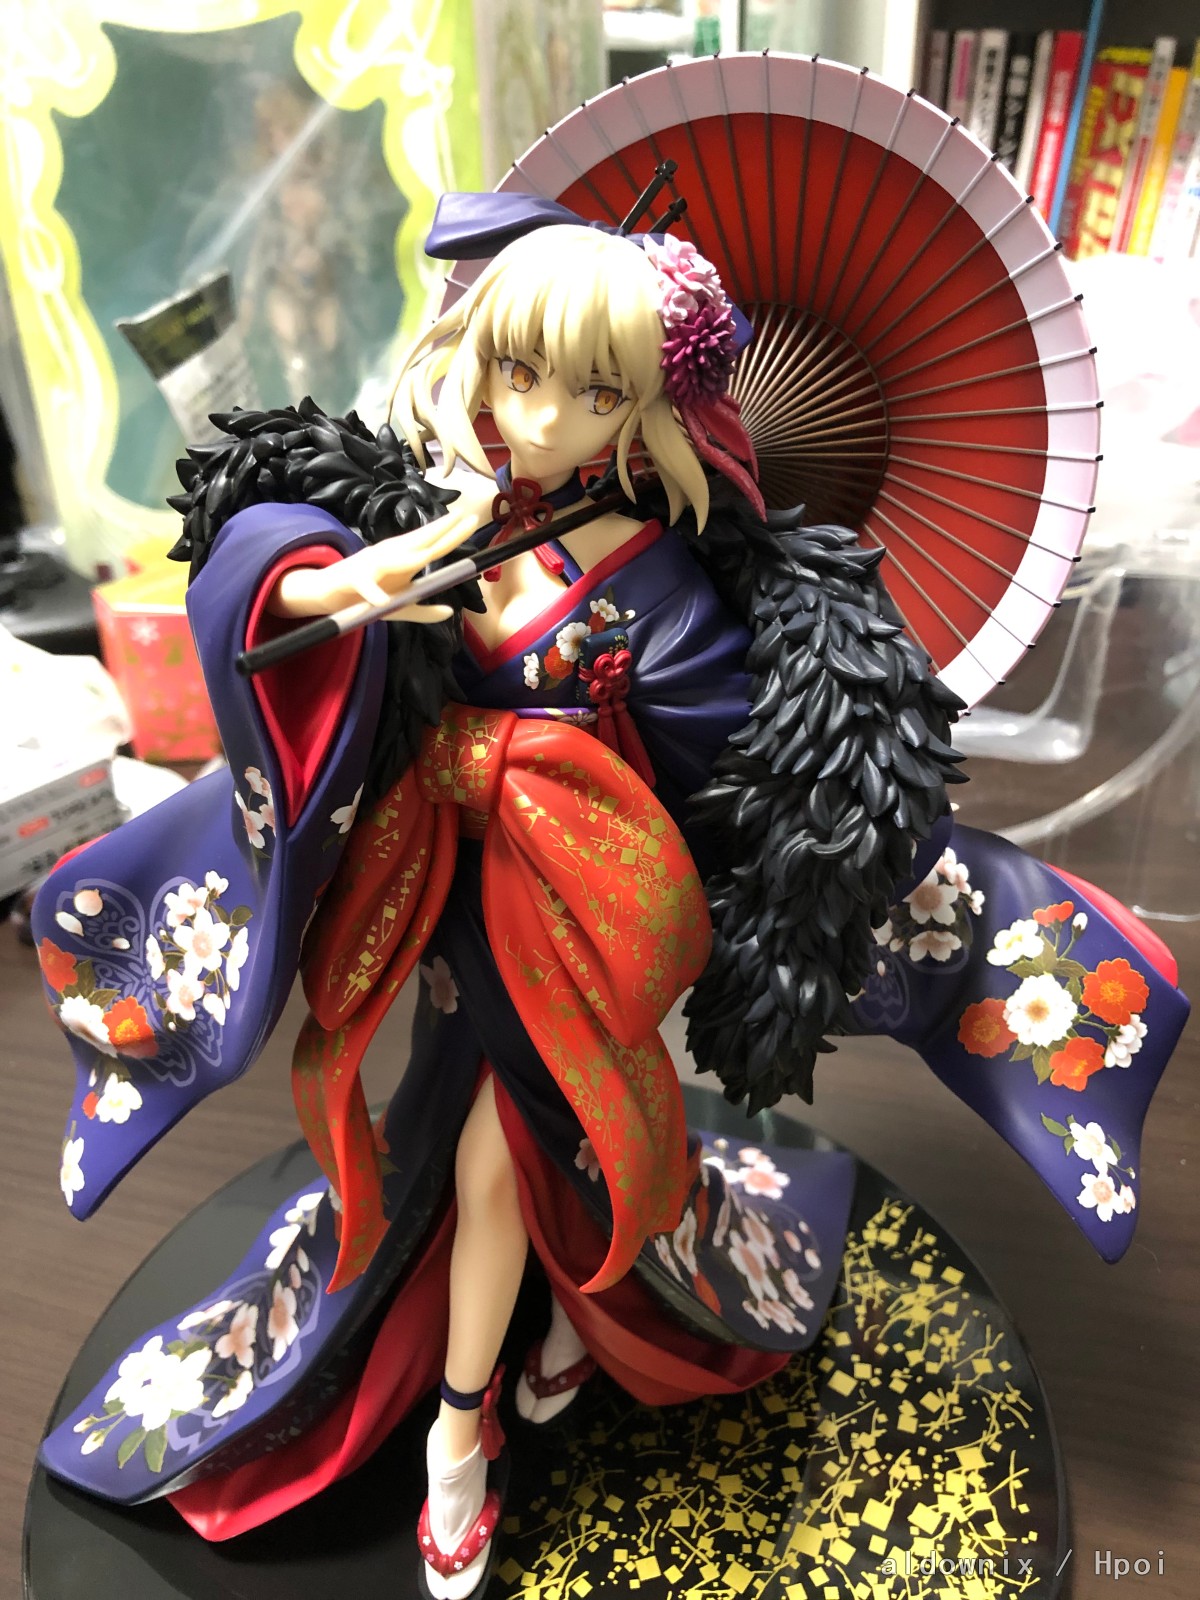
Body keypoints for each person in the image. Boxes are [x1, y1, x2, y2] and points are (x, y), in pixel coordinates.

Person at [31, 207, 1188, 1597]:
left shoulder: (654, 575)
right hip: (453, 902)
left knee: (504, 1151)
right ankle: (581, 1321)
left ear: (644, 409)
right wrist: (336, 582)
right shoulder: (437, 508)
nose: (541, 417)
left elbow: (729, 754)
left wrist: (665, 776)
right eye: (521, 373)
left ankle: (461, 1429)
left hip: (583, 913)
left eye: (591, 392)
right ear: (477, 355)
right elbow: (269, 562)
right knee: (501, 1134)